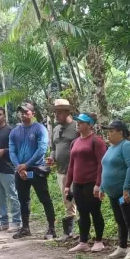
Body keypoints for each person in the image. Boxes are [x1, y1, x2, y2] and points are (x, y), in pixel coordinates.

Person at [9, 101, 56, 240]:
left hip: (36, 169)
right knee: (23, 199)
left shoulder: (40, 129)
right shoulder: (14, 131)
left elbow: (42, 149)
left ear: (33, 113)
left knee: (44, 199)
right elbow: (12, 151)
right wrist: (19, 167)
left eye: (26, 112)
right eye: (21, 112)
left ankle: (52, 228)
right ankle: (25, 228)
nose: (23, 114)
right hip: (20, 171)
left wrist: (27, 165)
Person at [65, 113, 107, 253]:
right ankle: (83, 242)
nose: (78, 124)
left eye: (82, 122)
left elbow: (102, 164)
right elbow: (71, 165)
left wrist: (98, 183)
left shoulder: (96, 140)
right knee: (82, 213)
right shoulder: (75, 142)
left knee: (95, 211)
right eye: (77, 121)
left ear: (90, 125)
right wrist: (67, 185)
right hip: (78, 183)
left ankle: (99, 241)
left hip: (91, 182)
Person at [101, 120, 130, 259]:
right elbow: (105, 168)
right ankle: (122, 246)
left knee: (129, 218)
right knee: (119, 219)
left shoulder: (127, 145)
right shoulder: (111, 147)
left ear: (121, 133)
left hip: (125, 191)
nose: (108, 134)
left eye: (112, 131)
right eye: (108, 131)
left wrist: (126, 187)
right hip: (113, 192)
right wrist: (102, 187)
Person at [48, 99, 79, 240]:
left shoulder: (76, 127)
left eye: (59, 112)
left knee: (78, 199)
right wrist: (52, 157)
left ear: (67, 112)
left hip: (76, 171)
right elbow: (53, 149)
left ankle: (82, 231)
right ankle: (69, 231)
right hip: (61, 171)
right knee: (67, 200)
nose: (56, 115)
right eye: (55, 112)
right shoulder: (55, 129)